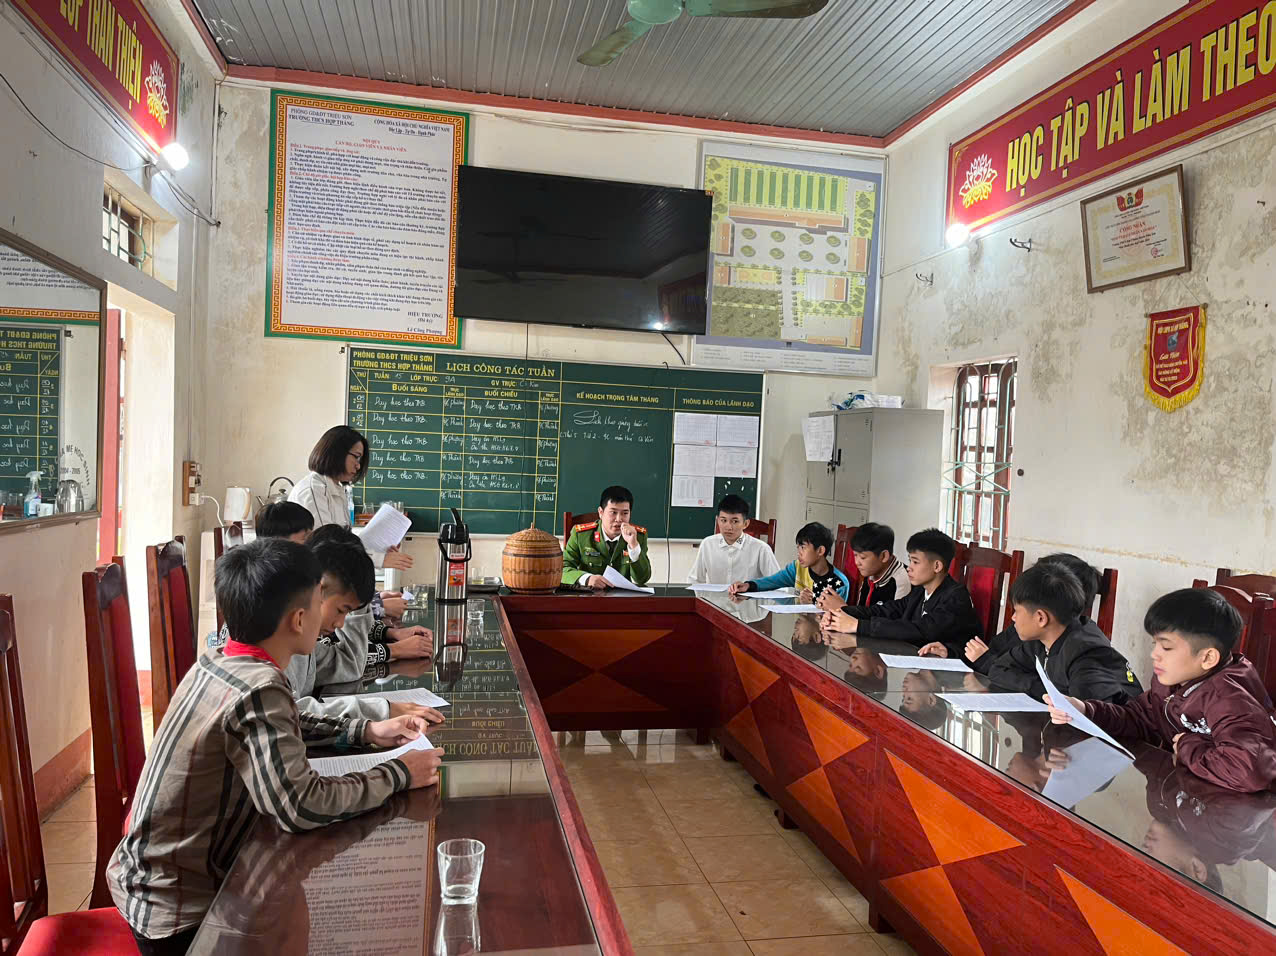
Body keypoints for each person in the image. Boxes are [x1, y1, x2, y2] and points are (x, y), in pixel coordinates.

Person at [107, 538, 445, 954]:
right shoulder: (261, 688)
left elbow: (285, 724)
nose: (336, 623)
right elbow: (301, 805)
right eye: (323, 603)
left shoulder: (220, 660)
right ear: (299, 619)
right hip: (180, 915)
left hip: (149, 883)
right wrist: (398, 773)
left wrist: (366, 731)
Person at [1046, 588, 1276, 793]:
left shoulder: (1229, 698)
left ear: (1207, 658)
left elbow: (1248, 772)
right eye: (1154, 644)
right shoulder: (1174, 681)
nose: (1154, 654)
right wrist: (1085, 710)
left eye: (1166, 647)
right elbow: (1139, 719)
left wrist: (1186, 746)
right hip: (1182, 795)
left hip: (1234, 814)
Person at [285, 533, 439, 722]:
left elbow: (350, 664)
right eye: (341, 610)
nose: (341, 624)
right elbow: (289, 715)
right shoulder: (275, 646)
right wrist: (382, 710)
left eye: (349, 613)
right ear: (318, 590)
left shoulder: (306, 647)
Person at [954, 562, 1142, 704]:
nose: (1013, 618)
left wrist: (1044, 691)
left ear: (1041, 618)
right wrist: (1044, 690)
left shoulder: (1085, 656)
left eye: (1017, 611)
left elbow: (1083, 717)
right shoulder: (1041, 641)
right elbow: (998, 670)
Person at [820, 528, 978, 657]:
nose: (909, 567)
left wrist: (858, 626)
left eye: (915, 562)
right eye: (910, 560)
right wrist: (842, 613)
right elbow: (887, 610)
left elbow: (921, 630)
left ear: (937, 566)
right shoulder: (920, 591)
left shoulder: (956, 597)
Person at [288, 425, 413, 574]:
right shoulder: (314, 490)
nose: (358, 466)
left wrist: (379, 550)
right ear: (337, 453)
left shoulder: (337, 489)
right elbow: (324, 546)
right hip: (312, 576)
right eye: (356, 456)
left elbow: (343, 542)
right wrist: (379, 559)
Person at [964, 552, 1101, 668]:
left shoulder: (1053, 643)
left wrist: (986, 661)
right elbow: (996, 649)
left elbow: (1019, 677)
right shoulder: (1026, 627)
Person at [728, 522, 850, 603]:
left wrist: (813, 604)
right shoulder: (797, 568)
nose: (799, 553)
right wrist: (748, 585)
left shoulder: (839, 583)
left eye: (803, 547)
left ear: (820, 551)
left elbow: (837, 618)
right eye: (798, 548)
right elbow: (773, 581)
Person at [562, 485, 651, 588]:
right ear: (601, 512)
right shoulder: (581, 535)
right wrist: (586, 579)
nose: (619, 519)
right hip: (589, 595)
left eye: (625, 513)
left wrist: (633, 546)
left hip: (623, 596)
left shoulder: (637, 536)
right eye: (613, 512)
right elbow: (562, 570)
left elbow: (642, 579)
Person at [687, 494, 780, 585]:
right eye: (723, 520)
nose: (729, 527)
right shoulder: (707, 544)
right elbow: (694, 580)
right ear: (718, 520)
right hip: (715, 596)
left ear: (745, 524)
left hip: (748, 596)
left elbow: (778, 584)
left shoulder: (761, 549)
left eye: (735, 521)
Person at [816, 522, 910, 612]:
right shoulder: (870, 573)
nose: (857, 562)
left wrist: (844, 609)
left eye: (862, 557)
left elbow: (893, 622)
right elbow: (862, 611)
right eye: (855, 555)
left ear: (884, 556)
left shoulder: (902, 581)